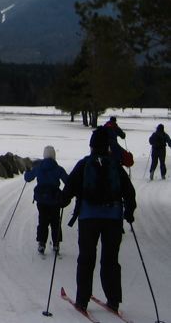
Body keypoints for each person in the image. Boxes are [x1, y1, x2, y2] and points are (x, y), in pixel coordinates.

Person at [61, 126, 136, 313]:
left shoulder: (84, 164)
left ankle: (82, 300)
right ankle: (113, 300)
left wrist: (61, 201)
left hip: (88, 218)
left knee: (86, 258)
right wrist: (129, 212)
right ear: (108, 147)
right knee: (110, 260)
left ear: (92, 146)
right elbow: (129, 192)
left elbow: (68, 189)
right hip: (113, 218)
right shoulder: (115, 166)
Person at [24, 145, 69, 253]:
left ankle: (42, 243)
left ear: (44, 155)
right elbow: (68, 182)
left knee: (43, 221)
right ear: (54, 156)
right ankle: (56, 244)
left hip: (41, 200)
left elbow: (28, 178)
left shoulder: (39, 167)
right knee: (55, 222)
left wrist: (27, 171)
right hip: (55, 200)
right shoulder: (58, 169)